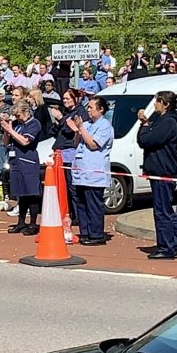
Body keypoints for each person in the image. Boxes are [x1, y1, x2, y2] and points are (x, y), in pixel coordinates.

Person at [137, 91, 177, 259]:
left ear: (165, 104)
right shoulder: (162, 120)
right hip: (159, 169)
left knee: (161, 210)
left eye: (157, 102)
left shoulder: (167, 122)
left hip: (163, 170)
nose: (155, 105)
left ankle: (166, 247)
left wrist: (145, 125)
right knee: (166, 208)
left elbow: (147, 140)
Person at [67, 96, 114, 245]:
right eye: (87, 107)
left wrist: (80, 128)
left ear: (100, 109)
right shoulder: (86, 124)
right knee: (81, 203)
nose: (88, 110)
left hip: (94, 171)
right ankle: (85, 232)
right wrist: (77, 131)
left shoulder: (105, 126)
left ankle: (96, 234)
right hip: (81, 171)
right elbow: (76, 143)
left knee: (93, 204)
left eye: (91, 107)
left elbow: (93, 144)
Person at [1, 101, 43, 236]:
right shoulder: (18, 125)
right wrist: (7, 130)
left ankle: (33, 223)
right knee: (20, 193)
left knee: (31, 193)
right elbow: (6, 142)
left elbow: (25, 141)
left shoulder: (34, 123)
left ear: (26, 112)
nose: (17, 118)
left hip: (28, 161)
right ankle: (21, 222)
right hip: (15, 161)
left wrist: (10, 130)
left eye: (19, 115)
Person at [50, 89, 88, 222]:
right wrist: (58, 121)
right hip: (61, 152)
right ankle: (70, 212)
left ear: (75, 99)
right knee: (64, 186)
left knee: (73, 186)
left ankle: (78, 215)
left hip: (71, 152)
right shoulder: (67, 112)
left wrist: (61, 119)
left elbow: (72, 130)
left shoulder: (80, 112)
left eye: (67, 99)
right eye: (64, 99)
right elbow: (56, 130)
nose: (64, 101)